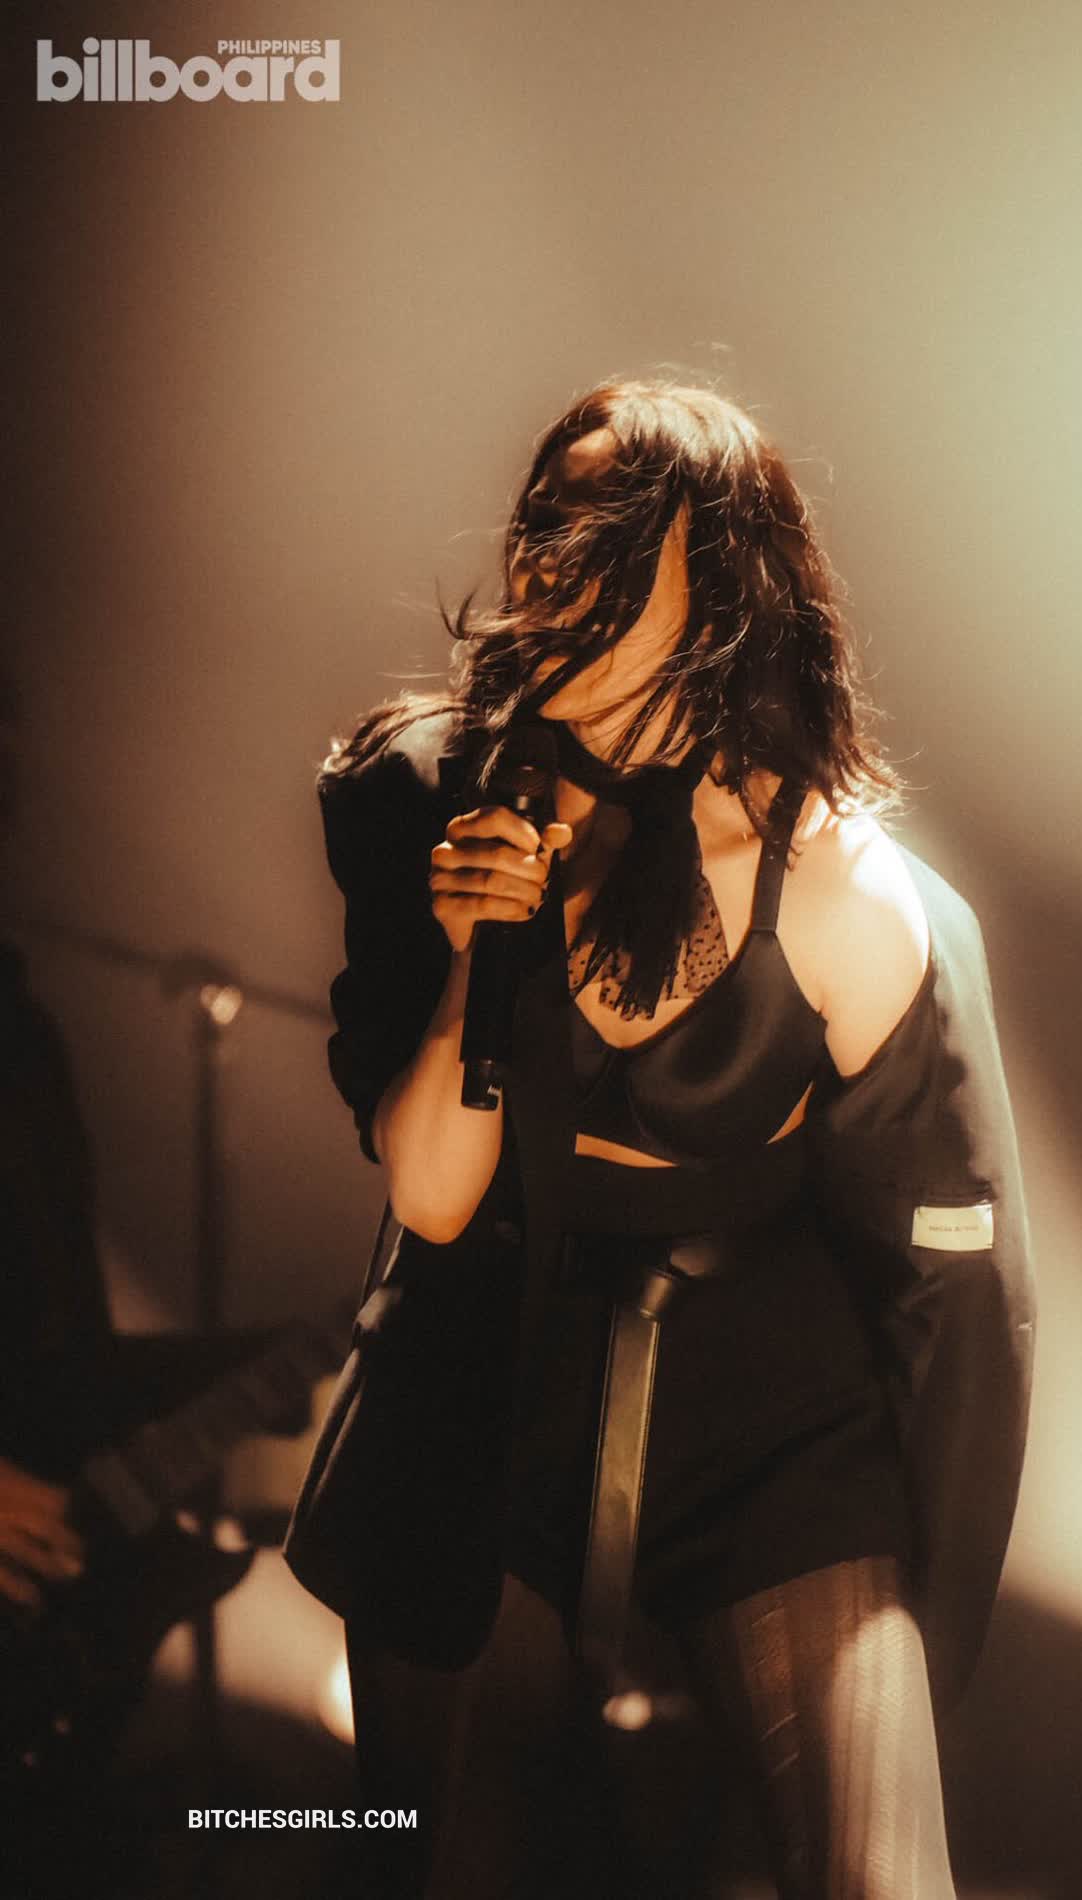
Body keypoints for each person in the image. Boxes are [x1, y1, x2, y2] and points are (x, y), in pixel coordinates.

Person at [284, 378, 1036, 1898]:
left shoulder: (842, 886)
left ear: (727, 581)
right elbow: (430, 1196)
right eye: (543, 519)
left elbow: (964, 1302)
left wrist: (934, 1620)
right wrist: (478, 958)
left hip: (769, 1422)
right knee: (435, 1863)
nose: (547, 560)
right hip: (482, 1378)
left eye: (608, 527)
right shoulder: (422, 791)